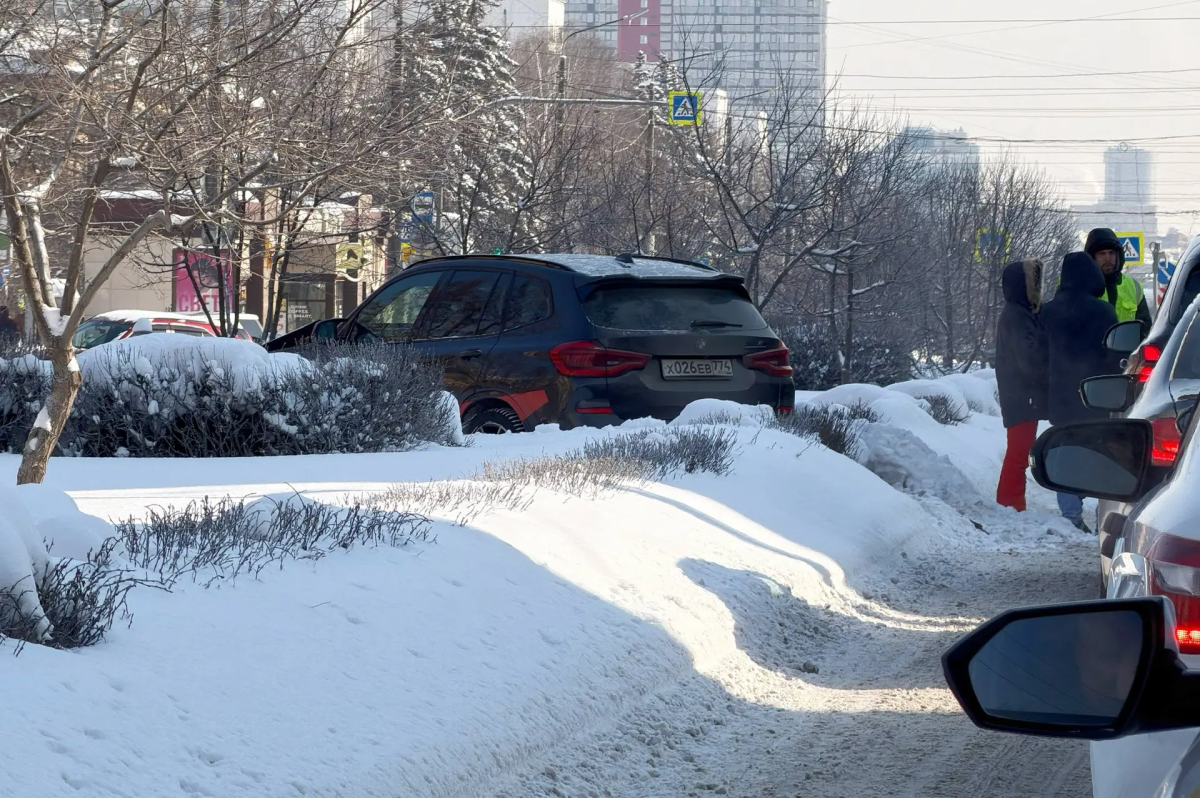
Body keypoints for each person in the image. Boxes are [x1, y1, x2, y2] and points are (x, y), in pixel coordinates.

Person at [1041, 251, 1120, 532]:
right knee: (1100, 455)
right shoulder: (1103, 311)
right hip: (1097, 395)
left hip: (1061, 395)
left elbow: (1040, 355)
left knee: (1065, 452)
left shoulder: (1048, 311)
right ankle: (1105, 517)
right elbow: (1115, 355)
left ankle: (1071, 514)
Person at [994, 258, 1048, 512]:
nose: (1038, 286)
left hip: (1019, 394)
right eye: (1033, 281)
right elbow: (1029, 358)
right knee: (1018, 454)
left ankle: (1012, 501)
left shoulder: (1018, 314)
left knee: (1019, 452)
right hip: (1020, 395)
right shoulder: (1017, 317)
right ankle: (1010, 503)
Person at [1084, 227, 1153, 328]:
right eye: (1102, 254)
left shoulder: (1134, 287)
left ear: (1118, 255)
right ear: (1092, 258)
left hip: (1126, 344)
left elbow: (1144, 328)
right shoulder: (1078, 285)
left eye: (1111, 253)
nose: (1108, 258)